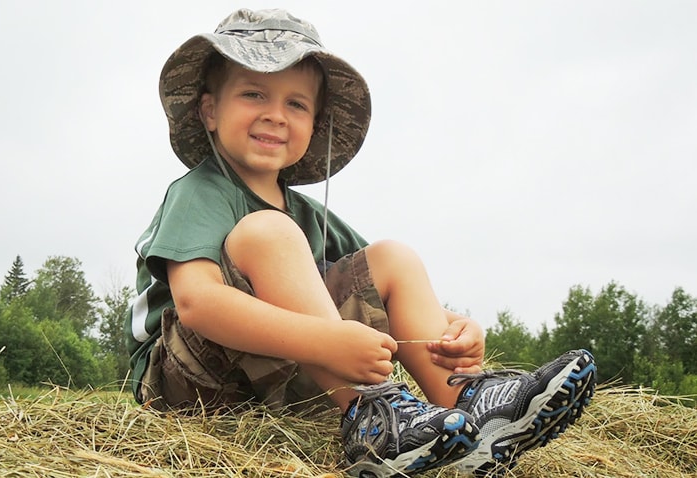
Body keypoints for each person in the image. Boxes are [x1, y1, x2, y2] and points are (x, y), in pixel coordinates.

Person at [126, 8, 597, 477]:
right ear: (210, 110)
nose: (275, 114)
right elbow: (197, 302)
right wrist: (327, 341)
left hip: (280, 376)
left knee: (393, 258)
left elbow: (385, 293)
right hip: (189, 384)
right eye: (253, 94)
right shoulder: (200, 193)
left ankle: (470, 404)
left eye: (296, 104)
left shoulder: (311, 217)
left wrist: (455, 328)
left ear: (314, 126)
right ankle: (374, 418)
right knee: (266, 232)